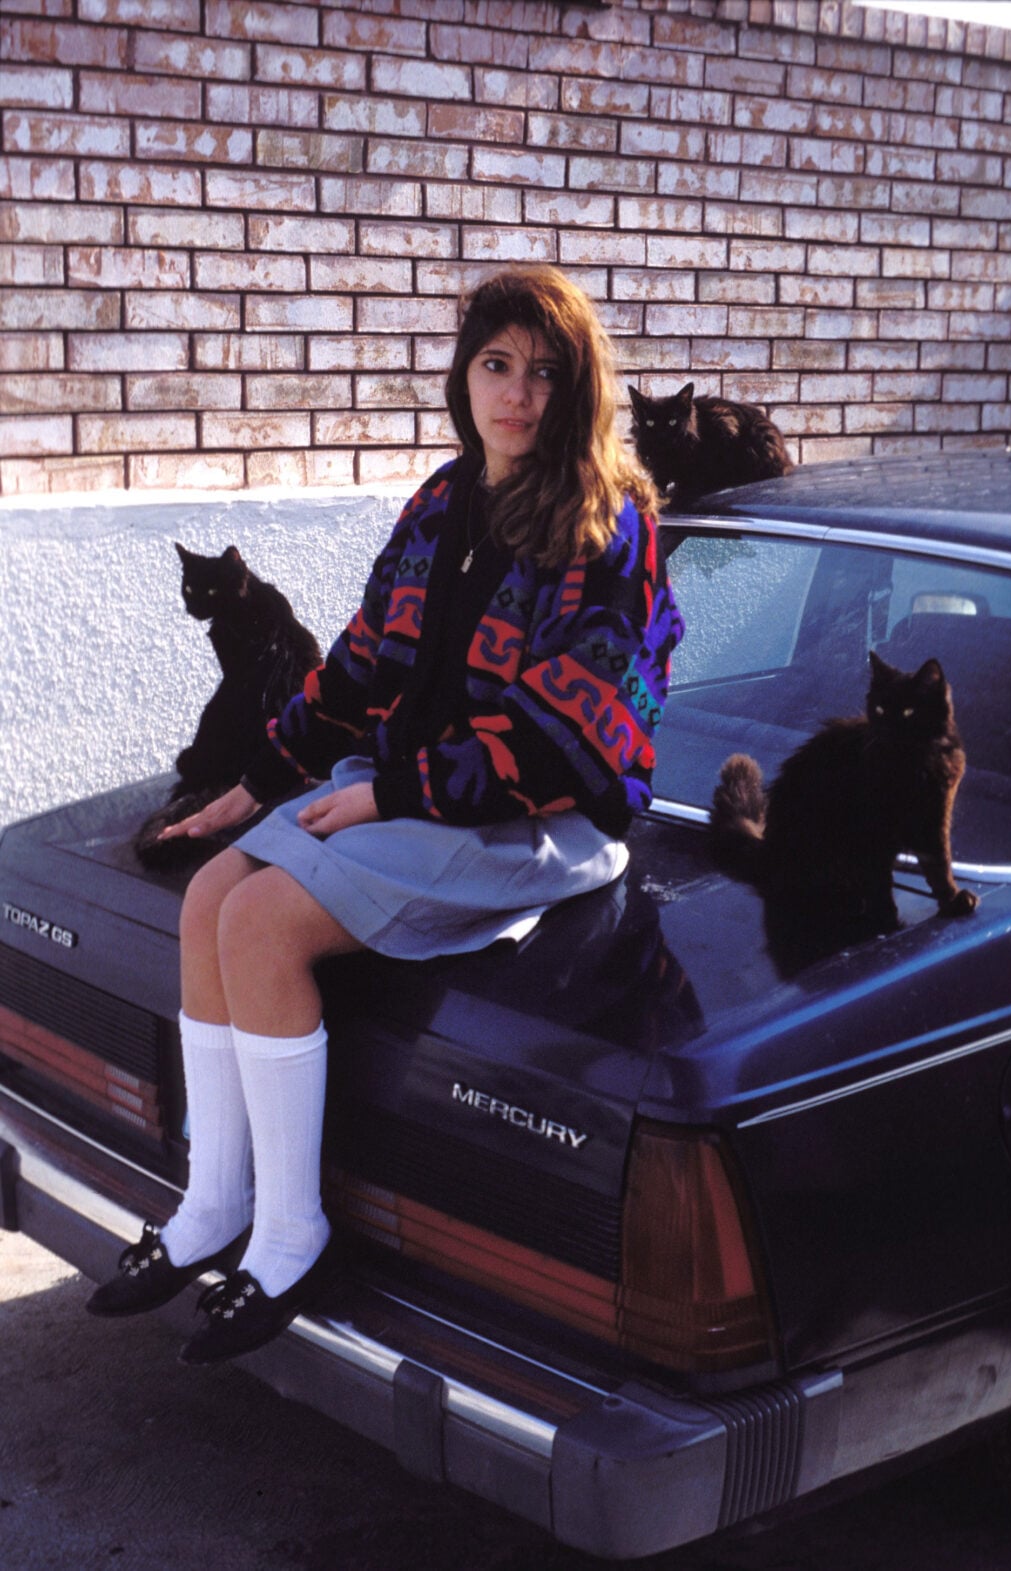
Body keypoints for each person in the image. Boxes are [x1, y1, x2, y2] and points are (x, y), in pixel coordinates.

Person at [85, 265, 685, 1363]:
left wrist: (384, 795)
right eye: (495, 365)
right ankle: (214, 1199)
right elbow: (362, 662)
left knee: (262, 923)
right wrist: (259, 781)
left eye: (544, 372)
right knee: (213, 891)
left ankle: (290, 1233)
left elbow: (568, 740)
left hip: (540, 820)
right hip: (422, 788)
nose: (517, 394)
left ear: (580, 386)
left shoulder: (610, 527)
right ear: (464, 377)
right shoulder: (444, 501)